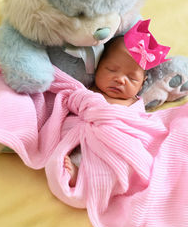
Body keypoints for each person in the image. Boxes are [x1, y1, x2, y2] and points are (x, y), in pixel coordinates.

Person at [64, 19, 171, 187]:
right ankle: (79, 173)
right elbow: (67, 103)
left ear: (142, 85)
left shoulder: (135, 103)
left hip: (119, 143)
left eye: (131, 78)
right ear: (98, 67)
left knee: (121, 161)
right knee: (81, 153)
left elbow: (144, 128)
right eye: (111, 70)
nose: (120, 79)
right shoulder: (87, 91)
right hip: (86, 138)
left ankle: (90, 178)